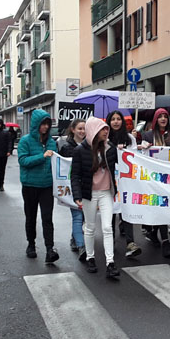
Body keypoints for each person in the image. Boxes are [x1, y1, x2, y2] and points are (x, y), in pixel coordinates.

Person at [72, 117, 120, 278]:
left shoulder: (110, 148)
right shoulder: (80, 150)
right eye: (102, 129)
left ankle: (110, 263)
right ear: (93, 130)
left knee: (107, 227)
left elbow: (119, 167)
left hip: (106, 192)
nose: (106, 132)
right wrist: (77, 195)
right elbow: (75, 175)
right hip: (89, 193)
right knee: (90, 227)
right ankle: (90, 257)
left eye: (107, 129)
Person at [18, 109, 59, 263]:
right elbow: (23, 161)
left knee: (47, 218)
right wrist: (42, 156)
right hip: (30, 186)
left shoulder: (51, 142)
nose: (46, 127)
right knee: (31, 217)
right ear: (36, 125)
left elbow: (57, 163)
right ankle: (31, 244)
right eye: (43, 124)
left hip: (47, 186)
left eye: (48, 124)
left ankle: (50, 248)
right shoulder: (25, 141)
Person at [139, 108, 170, 258]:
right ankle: (166, 241)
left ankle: (154, 232)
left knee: (165, 209)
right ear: (155, 119)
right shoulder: (148, 135)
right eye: (160, 116)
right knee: (160, 208)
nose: (163, 119)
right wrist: (143, 147)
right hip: (153, 179)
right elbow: (141, 155)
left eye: (165, 116)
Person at [106, 110, 142, 259]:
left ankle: (130, 243)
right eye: (113, 119)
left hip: (125, 180)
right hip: (108, 179)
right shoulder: (105, 138)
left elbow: (134, 157)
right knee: (111, 211)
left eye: (118, 119)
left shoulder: (128, 138)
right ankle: (110, 242)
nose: (116, 122)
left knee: (125, 209)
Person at [59, 119, 87, 259]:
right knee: (77, 217)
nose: (82, 131)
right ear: (73, 130)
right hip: (73, 187)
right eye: (80, 128)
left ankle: (75, 239)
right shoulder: (66, 147)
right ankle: (82, 246)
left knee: (84, 218)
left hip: (88, 187)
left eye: (84, 129)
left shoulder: (90, 145)